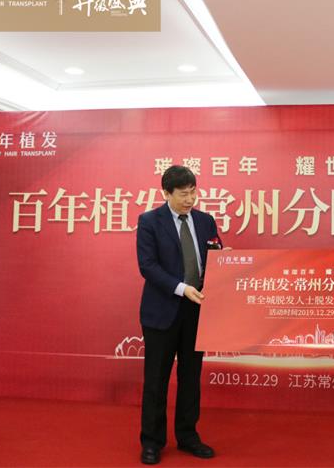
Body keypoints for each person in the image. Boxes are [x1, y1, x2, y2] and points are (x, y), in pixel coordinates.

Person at [136, 165, 221, 465]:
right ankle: (152, 441)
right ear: (166, 193)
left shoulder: (205, 221)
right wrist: (182, 288)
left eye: (193, 192)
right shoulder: (149, 221)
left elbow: (215, 254)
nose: (189, 199)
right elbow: (148, 266)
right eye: (183, 194)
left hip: (197, 310)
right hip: (162, 310)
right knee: (156, 380)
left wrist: (225, 262)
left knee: (190, 378)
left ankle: (188, 436)